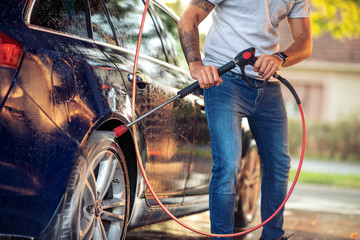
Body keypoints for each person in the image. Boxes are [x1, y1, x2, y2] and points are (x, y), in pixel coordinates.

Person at [178, 0, 312, 239]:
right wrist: (197, 65)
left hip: (268, 86)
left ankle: (273, 236)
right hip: (224, 81)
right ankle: (222, 237)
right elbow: (189, 18)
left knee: (279, 164)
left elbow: (304, 41)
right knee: (228, 164)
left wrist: (279, 57)